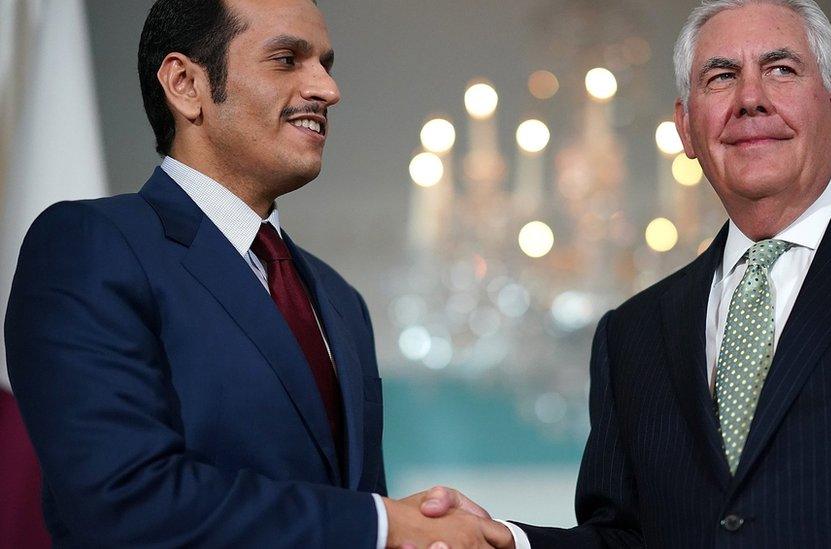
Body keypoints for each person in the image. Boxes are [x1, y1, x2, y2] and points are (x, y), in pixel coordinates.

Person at [420, 0, 831, 546]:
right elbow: (624, 536)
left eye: (780, 70)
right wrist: (507, 542)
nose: (750, 99)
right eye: (720, 77)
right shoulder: (631, 333)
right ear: (686, 128)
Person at [4, 0, 509, 547]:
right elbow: (125, 500)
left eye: (326, 64)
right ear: (185, 84)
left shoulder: (341, 301)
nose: (328, 89)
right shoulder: (90, 244)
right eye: (288, 59)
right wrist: (383, 523)